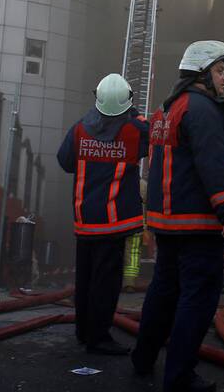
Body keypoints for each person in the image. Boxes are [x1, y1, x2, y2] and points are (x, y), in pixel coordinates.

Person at [132, 41, 224, 392]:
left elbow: (158, 167)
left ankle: (143, 358)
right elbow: (213, 162)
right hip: (197, 223)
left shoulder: (167, 109)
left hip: (167, 223)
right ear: (201, 72)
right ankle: (179, 376)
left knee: (163, 293)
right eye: (219, 70)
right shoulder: (202, 109)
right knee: (198, 299)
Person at [57, 73, 149, 355]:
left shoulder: (80, 129)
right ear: (127, 102)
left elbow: (65, 161)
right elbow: (148, 137)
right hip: (114, 222)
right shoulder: (135, 131)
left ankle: (83, 331)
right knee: (106, 283)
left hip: (85, 220)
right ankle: (99, 337)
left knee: (84, 279)